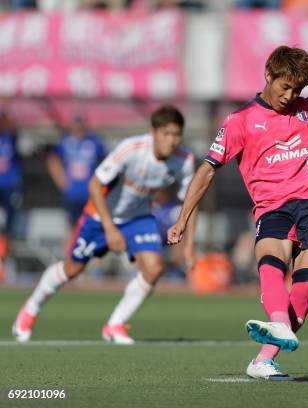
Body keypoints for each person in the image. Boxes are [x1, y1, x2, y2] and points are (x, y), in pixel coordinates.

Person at [167, 45, 308, 380]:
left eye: (298, 90)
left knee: (307, 278)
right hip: (271, 207)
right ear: (268, 75)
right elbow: (206, 170)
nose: (290, 96)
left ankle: (264, 358)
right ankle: (277, 330)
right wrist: (182, 218)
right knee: (272, 260)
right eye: (284, 87)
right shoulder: (240, 121)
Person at [13, 105, 196, 344]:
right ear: (153, 132)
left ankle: (115, 325)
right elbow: (94, 186)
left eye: (176, 134)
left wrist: (189, 245)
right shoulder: (130, 149)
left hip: (137, 216)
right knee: (72, 269)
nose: (172, 140)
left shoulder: (184, 160)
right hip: (100, 215)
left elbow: (192, 201)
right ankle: (31, 308)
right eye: (166, 133)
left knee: (153, 267)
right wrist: (110, 229)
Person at [47, 114, 106, 228]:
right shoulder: (65, 141)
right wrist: (61, 180)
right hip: (71, 192)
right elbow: (53, 160)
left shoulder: (94, 141)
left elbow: (106, 160)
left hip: (90, 193)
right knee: (72, 225)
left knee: (90, 225)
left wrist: (99, 183)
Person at [0, 109, 22, 280]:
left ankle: (5, 261)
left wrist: (5, 109)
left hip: (10, 187)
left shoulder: (10, 137)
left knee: (9, 228)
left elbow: (14, 128)